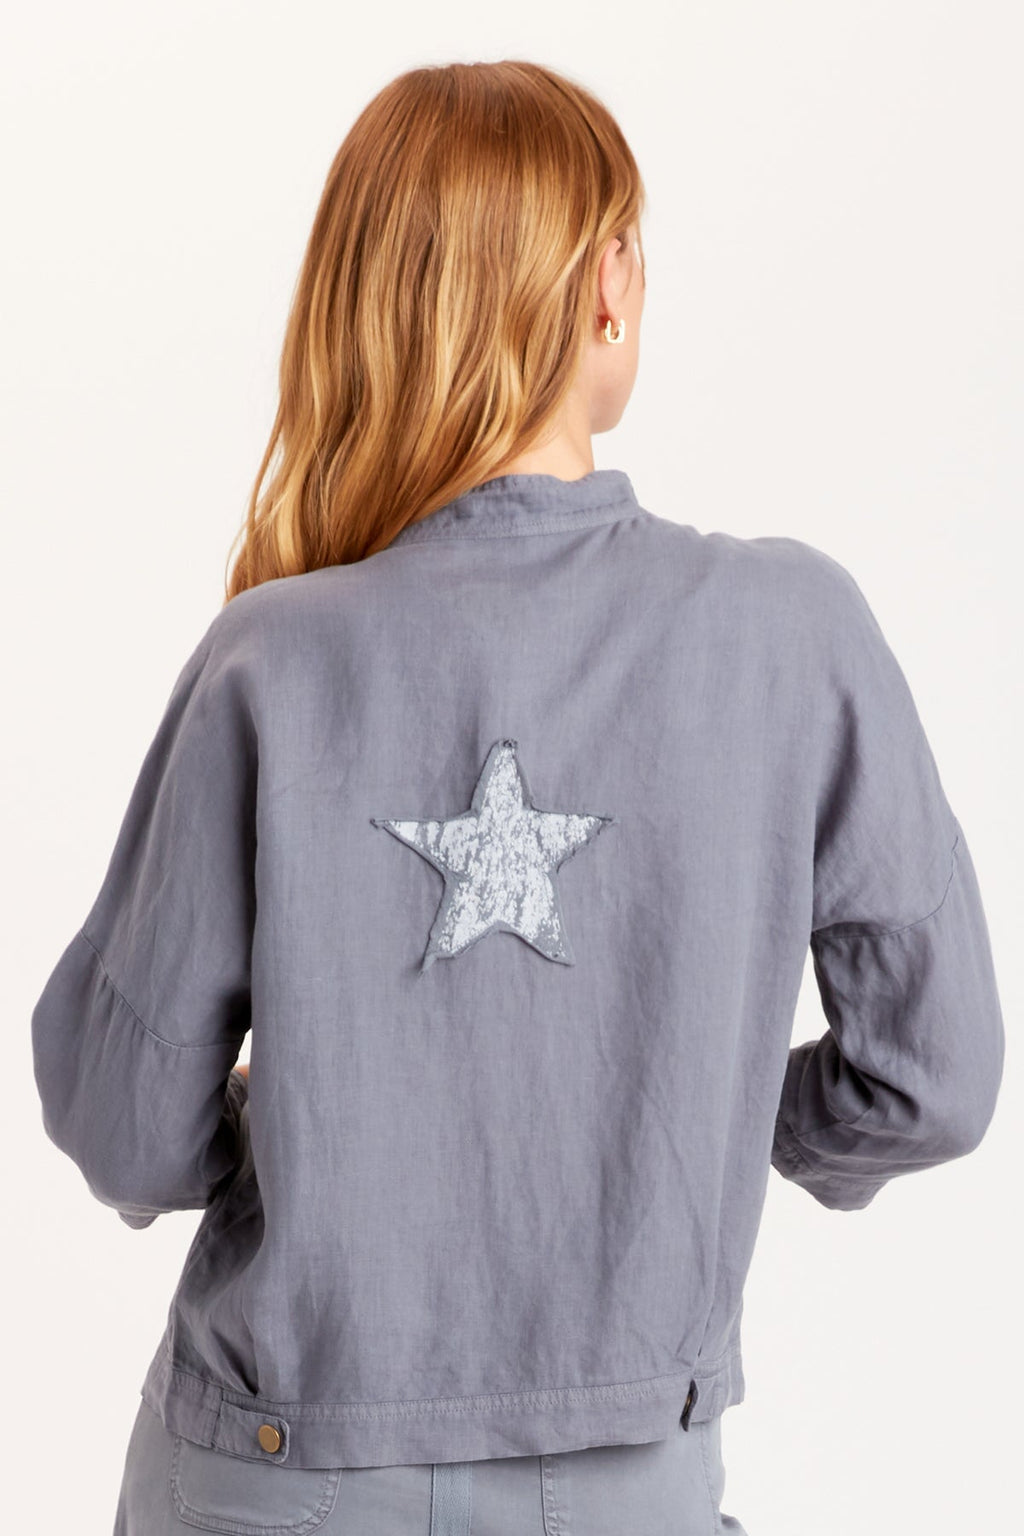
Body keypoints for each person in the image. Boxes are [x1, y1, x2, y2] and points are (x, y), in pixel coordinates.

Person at [30, 58, 1005, 1536]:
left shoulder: (269, 659)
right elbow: (933, 1078)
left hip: (272, 1470)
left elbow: (121, 1124)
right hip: (628, 1485)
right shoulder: (793, 632)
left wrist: (311, 1121)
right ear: (607, 284)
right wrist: (713, 1115)